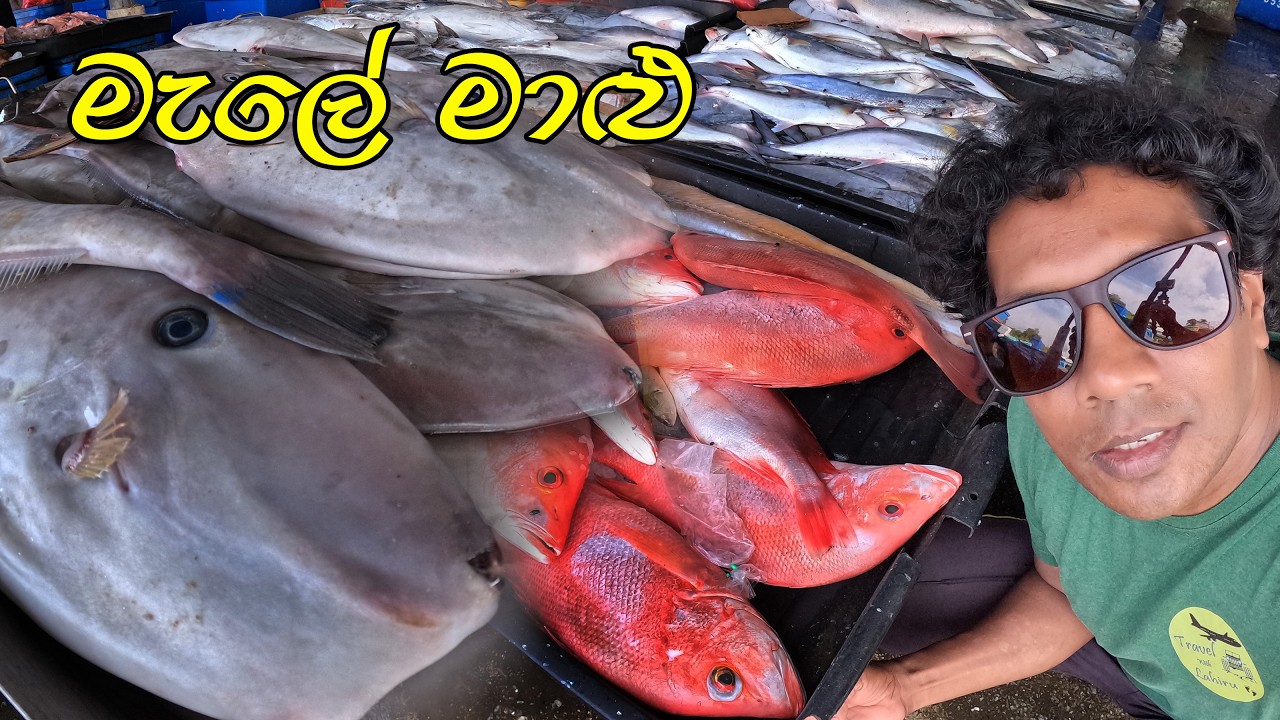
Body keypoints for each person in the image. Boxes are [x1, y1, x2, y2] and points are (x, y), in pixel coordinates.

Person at [826, 81, 1280, 719]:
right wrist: (906, 689)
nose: (1106, 375)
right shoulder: (1038, 413)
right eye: (1036, 331)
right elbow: (1071, 590)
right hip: (1149, 679)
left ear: (1251, 302)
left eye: (1167, 294)